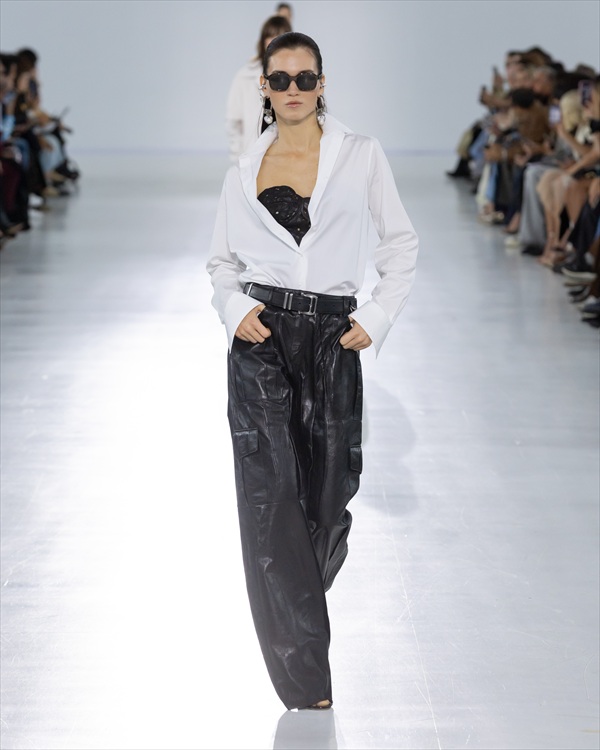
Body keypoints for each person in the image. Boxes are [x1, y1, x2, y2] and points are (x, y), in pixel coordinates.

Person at [207, 31, 418, 711]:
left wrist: (377, 316)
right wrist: (234, 309)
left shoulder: (361, 154)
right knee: (271, 501)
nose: (293, 90)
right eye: (281, 79)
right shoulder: (245, 168)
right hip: (262, 337)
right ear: (265, 87)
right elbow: (222, 263)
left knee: (328, 501)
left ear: (321, 84)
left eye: (305, 79)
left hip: (333, 335)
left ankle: (291, 599)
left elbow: (401, 242)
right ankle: (306, 679)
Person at [225, 14, 291, 162]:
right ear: (263, 40)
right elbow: (233, 122)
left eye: (280, 36)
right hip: (251, 157)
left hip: (288, 157)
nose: (275, 41)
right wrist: (239, 159)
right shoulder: (244, 75)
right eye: (271, 36)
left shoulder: (300, 77)